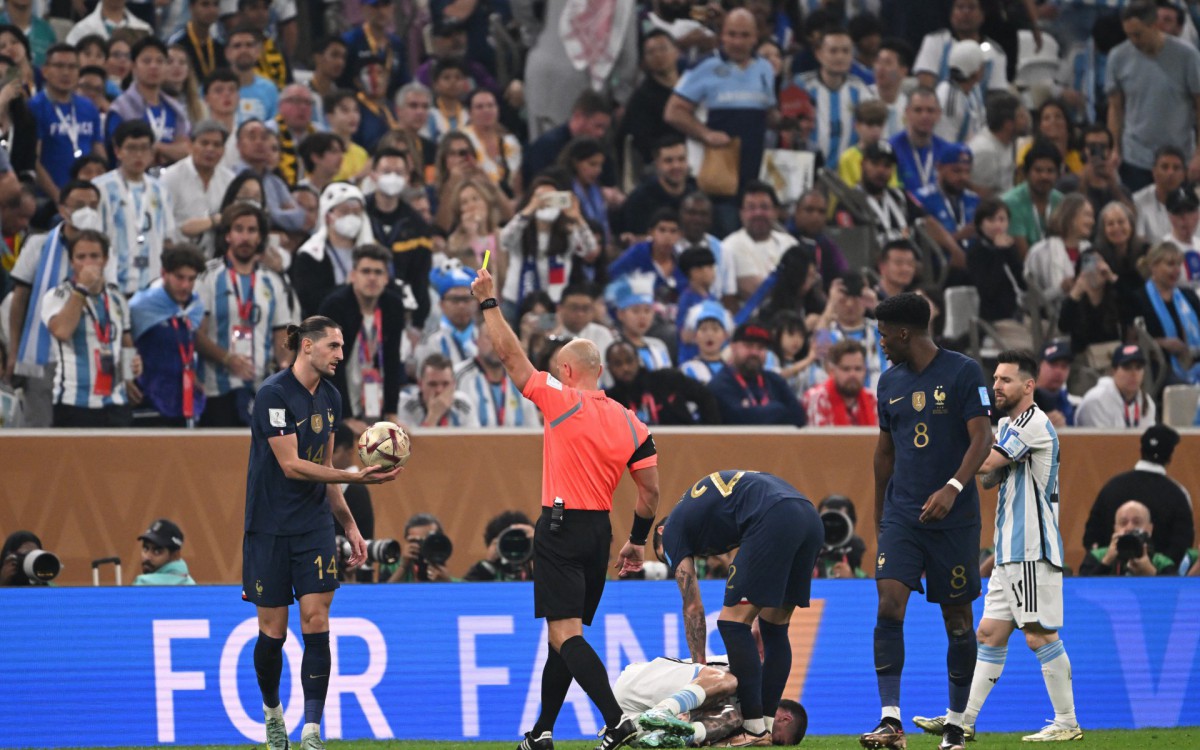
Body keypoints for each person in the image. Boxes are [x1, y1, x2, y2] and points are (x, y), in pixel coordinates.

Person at [468, 265, 661, 750]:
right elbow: (650, 494)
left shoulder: (563, 400)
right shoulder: (633, 423)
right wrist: (637, 543)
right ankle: (541, 733)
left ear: (570, 373)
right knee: (562, 636)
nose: (551, 377)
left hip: (559, 525)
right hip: (600, 533)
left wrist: (489, 302)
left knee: (565, 634)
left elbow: (511, 357)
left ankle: (617, 722)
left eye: (556, 370)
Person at [242, 315, 400, 750]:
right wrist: (358, 477)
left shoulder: (330, 397)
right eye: (332, 346)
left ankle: (311, 729)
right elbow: (292, 465)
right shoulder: (273, 394)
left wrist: (349, 525)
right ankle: (274, 715)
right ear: (306, 347)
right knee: (272, 633)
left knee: (316, 619)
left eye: (342, 346)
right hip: (269, 527)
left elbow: (325, 472)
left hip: (313, 525)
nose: (340, 354)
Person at [913, 350, 1081, 743]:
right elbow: (989, 479)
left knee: (1039, 634)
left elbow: (986, 466)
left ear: (1028, 385)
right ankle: (964, 720)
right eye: (995, 379)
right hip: (1007, 551)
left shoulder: (1034, 422)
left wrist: (956, 445)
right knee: (988, 633)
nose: (996, 386)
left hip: (1031, 548)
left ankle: (1067, 721)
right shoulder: (1007, 424)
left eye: (1006, 380)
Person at [861, 292, 993, 750]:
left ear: (903, 332)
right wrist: (880, 518)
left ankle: (956, 725)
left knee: (957, 621)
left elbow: (982, 438)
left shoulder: (963, 372)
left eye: (882, 334)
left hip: (954, 519)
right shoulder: (887, 382)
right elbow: (884, 454)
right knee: (888, 604)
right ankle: (889, 720)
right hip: (903, 516)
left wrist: (953, 487)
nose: (879, 343)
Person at [656, 470, 822, 746]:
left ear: (662, 533)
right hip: (808, 517)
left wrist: (699, 667)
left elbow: (693, 606)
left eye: (667, 558)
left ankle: (753, 729)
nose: (674, 563)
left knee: (732, 624)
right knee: (775, 627)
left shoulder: (672, 531)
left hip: (773, 517)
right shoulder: (704, 515)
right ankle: (765, 726)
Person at [664, 8, 777, 234]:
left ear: (755, 37)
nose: (737, 41)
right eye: (732, 34)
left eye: (744, 35)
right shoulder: (704, 66)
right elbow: (673, 112)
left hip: (754, 173)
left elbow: (769, 113)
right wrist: (705, 134)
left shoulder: (765, 68)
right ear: (721, 36)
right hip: (719, 175)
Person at [5, 180, 103, 426]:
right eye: (79, 205)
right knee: (40, 428)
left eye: (93, 205)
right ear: (63, 209)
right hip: (43, 355)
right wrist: (14, 352)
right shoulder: (39, 245)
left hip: (88, 358)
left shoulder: (104, 250)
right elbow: (20, 301)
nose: (87, 211)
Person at [194, 203, 292, 427]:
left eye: (252, 230)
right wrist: (228, 359)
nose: (245, 237)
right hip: (217, 390)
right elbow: (196, 334)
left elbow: (281, 333)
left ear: (260, 237)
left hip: (263, 390)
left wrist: (285, 362)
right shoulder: (208, 276)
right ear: (227, 235)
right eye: (239, 229)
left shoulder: (273, 281)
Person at [41, 230, 139, 428]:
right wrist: (82, 289)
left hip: (115, 402)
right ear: (71, 262)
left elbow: (126, 340)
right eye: (81, 257)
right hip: (74, 401)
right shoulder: (57, 296)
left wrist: (130, 374)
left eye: (94, 256)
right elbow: (62, 331)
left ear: (105, 259)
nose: (88, 263)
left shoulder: (117, 298)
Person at [1106, 1, 1200, 192]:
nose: (1133, 40)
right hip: (1136, 157)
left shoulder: (1187, 56)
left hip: (1177, 158)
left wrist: (1199, 153)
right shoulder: (1118, 57)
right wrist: (1115, 147)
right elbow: (1115, 108)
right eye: (1129, 35)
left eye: (1138, 34)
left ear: (1154, 25)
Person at [318, 244, 407, 426]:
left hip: (374, 397)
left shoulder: (393, 306)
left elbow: (392, 361)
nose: (372, 278)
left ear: (386, 278)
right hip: (336, 402)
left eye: (378, 272)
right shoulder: (335, 306)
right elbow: (329, 364)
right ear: (353, 275)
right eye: (365, 271)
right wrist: (344, 417)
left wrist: (391, 413)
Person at [1083, 424, 1194, 566]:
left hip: (1110, 580)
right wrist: (1161, 570)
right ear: (1170, 457)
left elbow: (1091, 537)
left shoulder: (1111, 487)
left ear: (1141, 450)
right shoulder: (1178, 494)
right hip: (1158, 583)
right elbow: (1182, 543)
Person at [95, 120, 177, 297]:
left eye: (144, 148)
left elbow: (168, 239)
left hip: (153, 286)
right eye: (132, 148)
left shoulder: (161, 191)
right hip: (112, 285)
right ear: (118, 151)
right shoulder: (100, 189)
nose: (138, 155)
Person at [129, 245, 208, 427]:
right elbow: (123, 342)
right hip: (148, 400)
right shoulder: (141, 305)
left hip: (184, 400)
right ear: (164, 273)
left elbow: (187, 343)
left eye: (191, 279)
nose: (185, 285)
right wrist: (126, 379)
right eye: (179, 277)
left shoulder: (195, 306)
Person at [364, 148, 436, 331]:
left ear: (407, 177)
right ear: (373, 174)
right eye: (386, 171)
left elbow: (420, 278)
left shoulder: (417, 224)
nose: (392, 177)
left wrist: (417, 324)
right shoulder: (359, 213)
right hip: (359, 306)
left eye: (399, 173)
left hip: (400, 313)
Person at [32, 44, 105, 202]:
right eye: (59, 66)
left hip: (88, 195)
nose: (66, 72)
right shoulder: (34, 108)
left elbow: (98, 151)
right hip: (49, 198)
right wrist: (60, 198)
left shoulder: (88, 107)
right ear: (45, 71)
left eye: (72, 67)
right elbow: (33, 161)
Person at [797, 25, 876, 169]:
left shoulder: (860, 90)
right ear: (819, 54)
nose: (840, 56)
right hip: (807, 172)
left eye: (846, 51)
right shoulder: (800, 87)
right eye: (833, 51)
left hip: (848, 177)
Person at [107, 36, 193, 167]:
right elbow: (121, 154)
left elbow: (186, 151)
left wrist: (158, 148)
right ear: (133, 66)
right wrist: (168, 151)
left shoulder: (175, 109)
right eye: (147, 61)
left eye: (160, 61)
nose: (154, 66)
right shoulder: (121, 108)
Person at [292, 183, 375, 317]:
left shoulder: (373, 255)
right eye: (344, 211)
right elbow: (309, 300)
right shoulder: (309, 255)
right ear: (328, 215)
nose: (351, 216)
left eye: (356, 212)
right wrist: (349, 288)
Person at [708, 322, 805, 427]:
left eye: (760, 347)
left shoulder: (775, 381)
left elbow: (798, 418)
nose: (754, 352)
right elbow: (739, 419)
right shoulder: (720, 385)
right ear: (733, 347)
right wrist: (779, 409)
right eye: (748, 346)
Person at [160, 119, 235, 256]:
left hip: (217, 257)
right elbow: (162, 225)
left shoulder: (229, 180)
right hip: (177, 256)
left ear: (224, 150)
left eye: (217, 145)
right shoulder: (171, 178)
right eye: (204, 143)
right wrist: (213, 221)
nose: (210, 149)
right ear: (190, 145)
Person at [604, 340, 721, 426]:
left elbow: (705, 396)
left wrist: (706, 434)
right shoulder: (608, 401)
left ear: (638, 360)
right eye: (618, 364)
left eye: (629, 361)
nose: (625, 368)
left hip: (682, 447)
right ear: (609, 368)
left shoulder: (666, 379)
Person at [1134, 241, 1200, 384]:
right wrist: (1161, 343)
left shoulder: (1189, 295)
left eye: (1179, 265)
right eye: (1170, 264)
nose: (1176, 270)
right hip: (1160, 368)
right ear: (1153, 266)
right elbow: (1133, 341)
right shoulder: (1139, 299)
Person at [724, 181, 795, 303]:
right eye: (751, 208)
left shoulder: (789, 242)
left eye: (764, 207)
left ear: (775, 212)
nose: (758, 213)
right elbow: (758, 291)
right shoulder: (730, 246)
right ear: (742, 213)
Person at [455, 330, 541, 428]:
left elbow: (533, 428)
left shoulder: (522, 379)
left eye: (503, 340)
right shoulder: (458, 376)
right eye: (489, 337)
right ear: (477, 341)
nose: (496, 344)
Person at [618, 134, 695, 239]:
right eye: (669, 161)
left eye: (681, 159)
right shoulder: (639, 199)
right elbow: (634, 239)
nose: (676, 166)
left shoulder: (695, 196)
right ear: (657, 164)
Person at [1001, 139, 1065, 259]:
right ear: (1026, 173)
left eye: (1050, 171)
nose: (1044, 176)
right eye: (1038, 170)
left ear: (1058, 174)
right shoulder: (1011, 203)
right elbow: (1023, 256)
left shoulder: (1061, 202)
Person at [1079, 500, 1177, 576]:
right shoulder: (1097, 556)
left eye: (1137, 523)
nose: (1129, 528)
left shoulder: (1161, 562)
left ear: (1149, 529)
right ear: (1115, 528)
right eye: (1123, 523)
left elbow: (1175, 595)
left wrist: (1151, 572)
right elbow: (1080, 591)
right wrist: (1107, 561)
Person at [1074, 344, 1157, 428]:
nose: (1134, 373)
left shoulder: (1147, 402)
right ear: (1113, 371)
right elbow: (1101, 441)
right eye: (1127, 367)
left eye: (1138, 367)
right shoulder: (1096, 401)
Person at [802, 339, 879, 427]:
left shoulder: (873, 399)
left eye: (858, 369)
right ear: (832, 371)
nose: (852, 374)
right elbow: (820, 440)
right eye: (846, 369)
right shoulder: (816, 398)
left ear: (865, 371)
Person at [889, 88, 949, 195]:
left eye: (930, 110)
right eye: (918, 110)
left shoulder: (947, 151)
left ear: (938, 114)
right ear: (907, 113)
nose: (924, 116)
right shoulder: (891, 148)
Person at [397, 353, 479, 428]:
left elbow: (475, 441)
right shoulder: (405, 405)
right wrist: (433, 416)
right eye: (433, 384)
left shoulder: (463, 404)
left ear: (453, 385)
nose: (439, 390)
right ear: (420, 385)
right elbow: (412, 444)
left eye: (445, 384)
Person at [967, 91, 1023, 197]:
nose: (1026, 120)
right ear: (1008, 125)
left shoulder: (1010, 140)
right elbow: (981, 198)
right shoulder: (985, 151)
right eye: (1020, 116)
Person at [463, 510, 536, 582]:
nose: (514, 547)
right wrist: (487, 565)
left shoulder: (535, 569)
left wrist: (540, 548)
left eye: (520, 543)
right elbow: (465, 591)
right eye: (508, 543)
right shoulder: (486, 572)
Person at [1132, 146, 1186, 241]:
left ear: (1183, 175)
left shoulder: (1192, 204)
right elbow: (1138, 241)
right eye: (1165, 167)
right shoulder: (1137, 201)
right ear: (1154, 172)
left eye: (1176, 168)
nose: (1170, 173)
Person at [1033, 341, 1081, 429]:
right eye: (1053, 365)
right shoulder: (1022, 398)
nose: (1059, 372)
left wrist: (1064, 430)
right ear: (1038, 367)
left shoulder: (1068, 404)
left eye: (1064, 366)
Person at [134, 518, 196, 585]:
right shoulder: (191, 583)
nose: (147, 557)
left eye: (157, 551)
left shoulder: (144, 583)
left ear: (175, 555)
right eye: (145, 549)